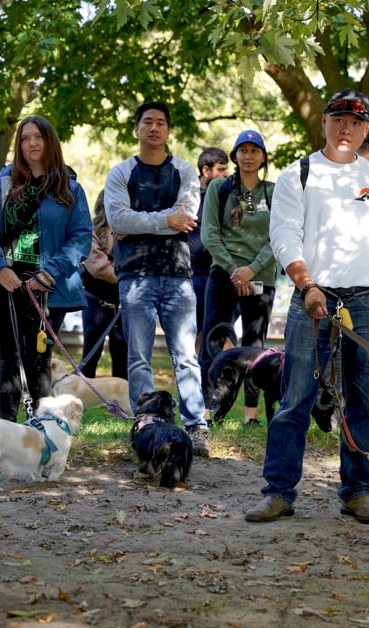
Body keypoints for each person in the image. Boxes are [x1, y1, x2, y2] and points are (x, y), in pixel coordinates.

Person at [244, 88, 369, 524]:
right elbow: (284, 236)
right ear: (324, 121)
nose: (346, 129)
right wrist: (307, 285)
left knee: (363, 402)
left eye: (356, 123)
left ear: (366, 130)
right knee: (296, 397)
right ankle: (278, 492)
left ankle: (357, 492)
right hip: (313, 299)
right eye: (338, 119)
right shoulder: (298, 174)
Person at [103, 101, 211, 456]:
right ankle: (146, 423)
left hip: (178, 276)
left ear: (167, 130)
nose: (154, 128)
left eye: (160, 122)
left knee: (186, 356)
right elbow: (118, 220)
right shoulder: (120, 174)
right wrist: (167, 221)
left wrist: (140, 221)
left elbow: (189, 215)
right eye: (147, 122)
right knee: (138, 357)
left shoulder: (184, 171)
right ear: (136, 129)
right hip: (135, 277)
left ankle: (197, 427)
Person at [0, 115, 92, 421]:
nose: (32, 143)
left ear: (50, 141)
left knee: (39, 359)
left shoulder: (70, 188)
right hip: (6, 282)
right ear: (18, 145)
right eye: (25, 138)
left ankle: (40, 433)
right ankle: (7, 431)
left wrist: (50, 272)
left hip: (50, 285)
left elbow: (81, 236)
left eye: (38, 137)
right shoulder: (2, 183)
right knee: (9, 358)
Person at [200, 129, 278, 426]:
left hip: (261, 277)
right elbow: (209, 234)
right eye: (242, 151)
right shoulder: (219, 188)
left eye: (254, 151)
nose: (248, 156)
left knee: (255, 347)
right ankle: (206, 412)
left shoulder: (273, 192)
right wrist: (235, 270)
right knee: (213, 339)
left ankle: (251, 415)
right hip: (224, 275)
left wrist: (252, 269)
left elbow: (278, 236)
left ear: (262, 158)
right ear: (234, 156)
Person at [79, 189, 127, 379]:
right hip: (96, 300)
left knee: (122, 354)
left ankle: (122, 402)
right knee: (91, 352)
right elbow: (97, 267)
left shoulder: (128, 230)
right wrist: (125, 276)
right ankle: (81, 398)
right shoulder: (90, 230)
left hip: (122, 301)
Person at [193, 147, 229, 354]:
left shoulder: (228, 196)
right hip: (194, 276)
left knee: (222, 331)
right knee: (198, 332)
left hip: (221, 272)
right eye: (221, 169)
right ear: (206, 171)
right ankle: (198, 379)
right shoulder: (188, 199)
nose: (226, 174)